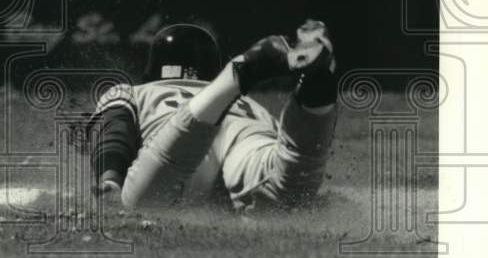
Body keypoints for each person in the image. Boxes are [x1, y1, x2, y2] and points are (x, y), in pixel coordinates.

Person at [89, 19, 339, 210]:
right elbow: (288, 147)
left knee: (144, 203)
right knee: (290, 192)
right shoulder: (252, 105)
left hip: (181, 137)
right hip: (245, 131)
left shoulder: (135, 91)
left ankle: (240, 72)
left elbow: (114, 133)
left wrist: (110, 178)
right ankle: (316, 90)